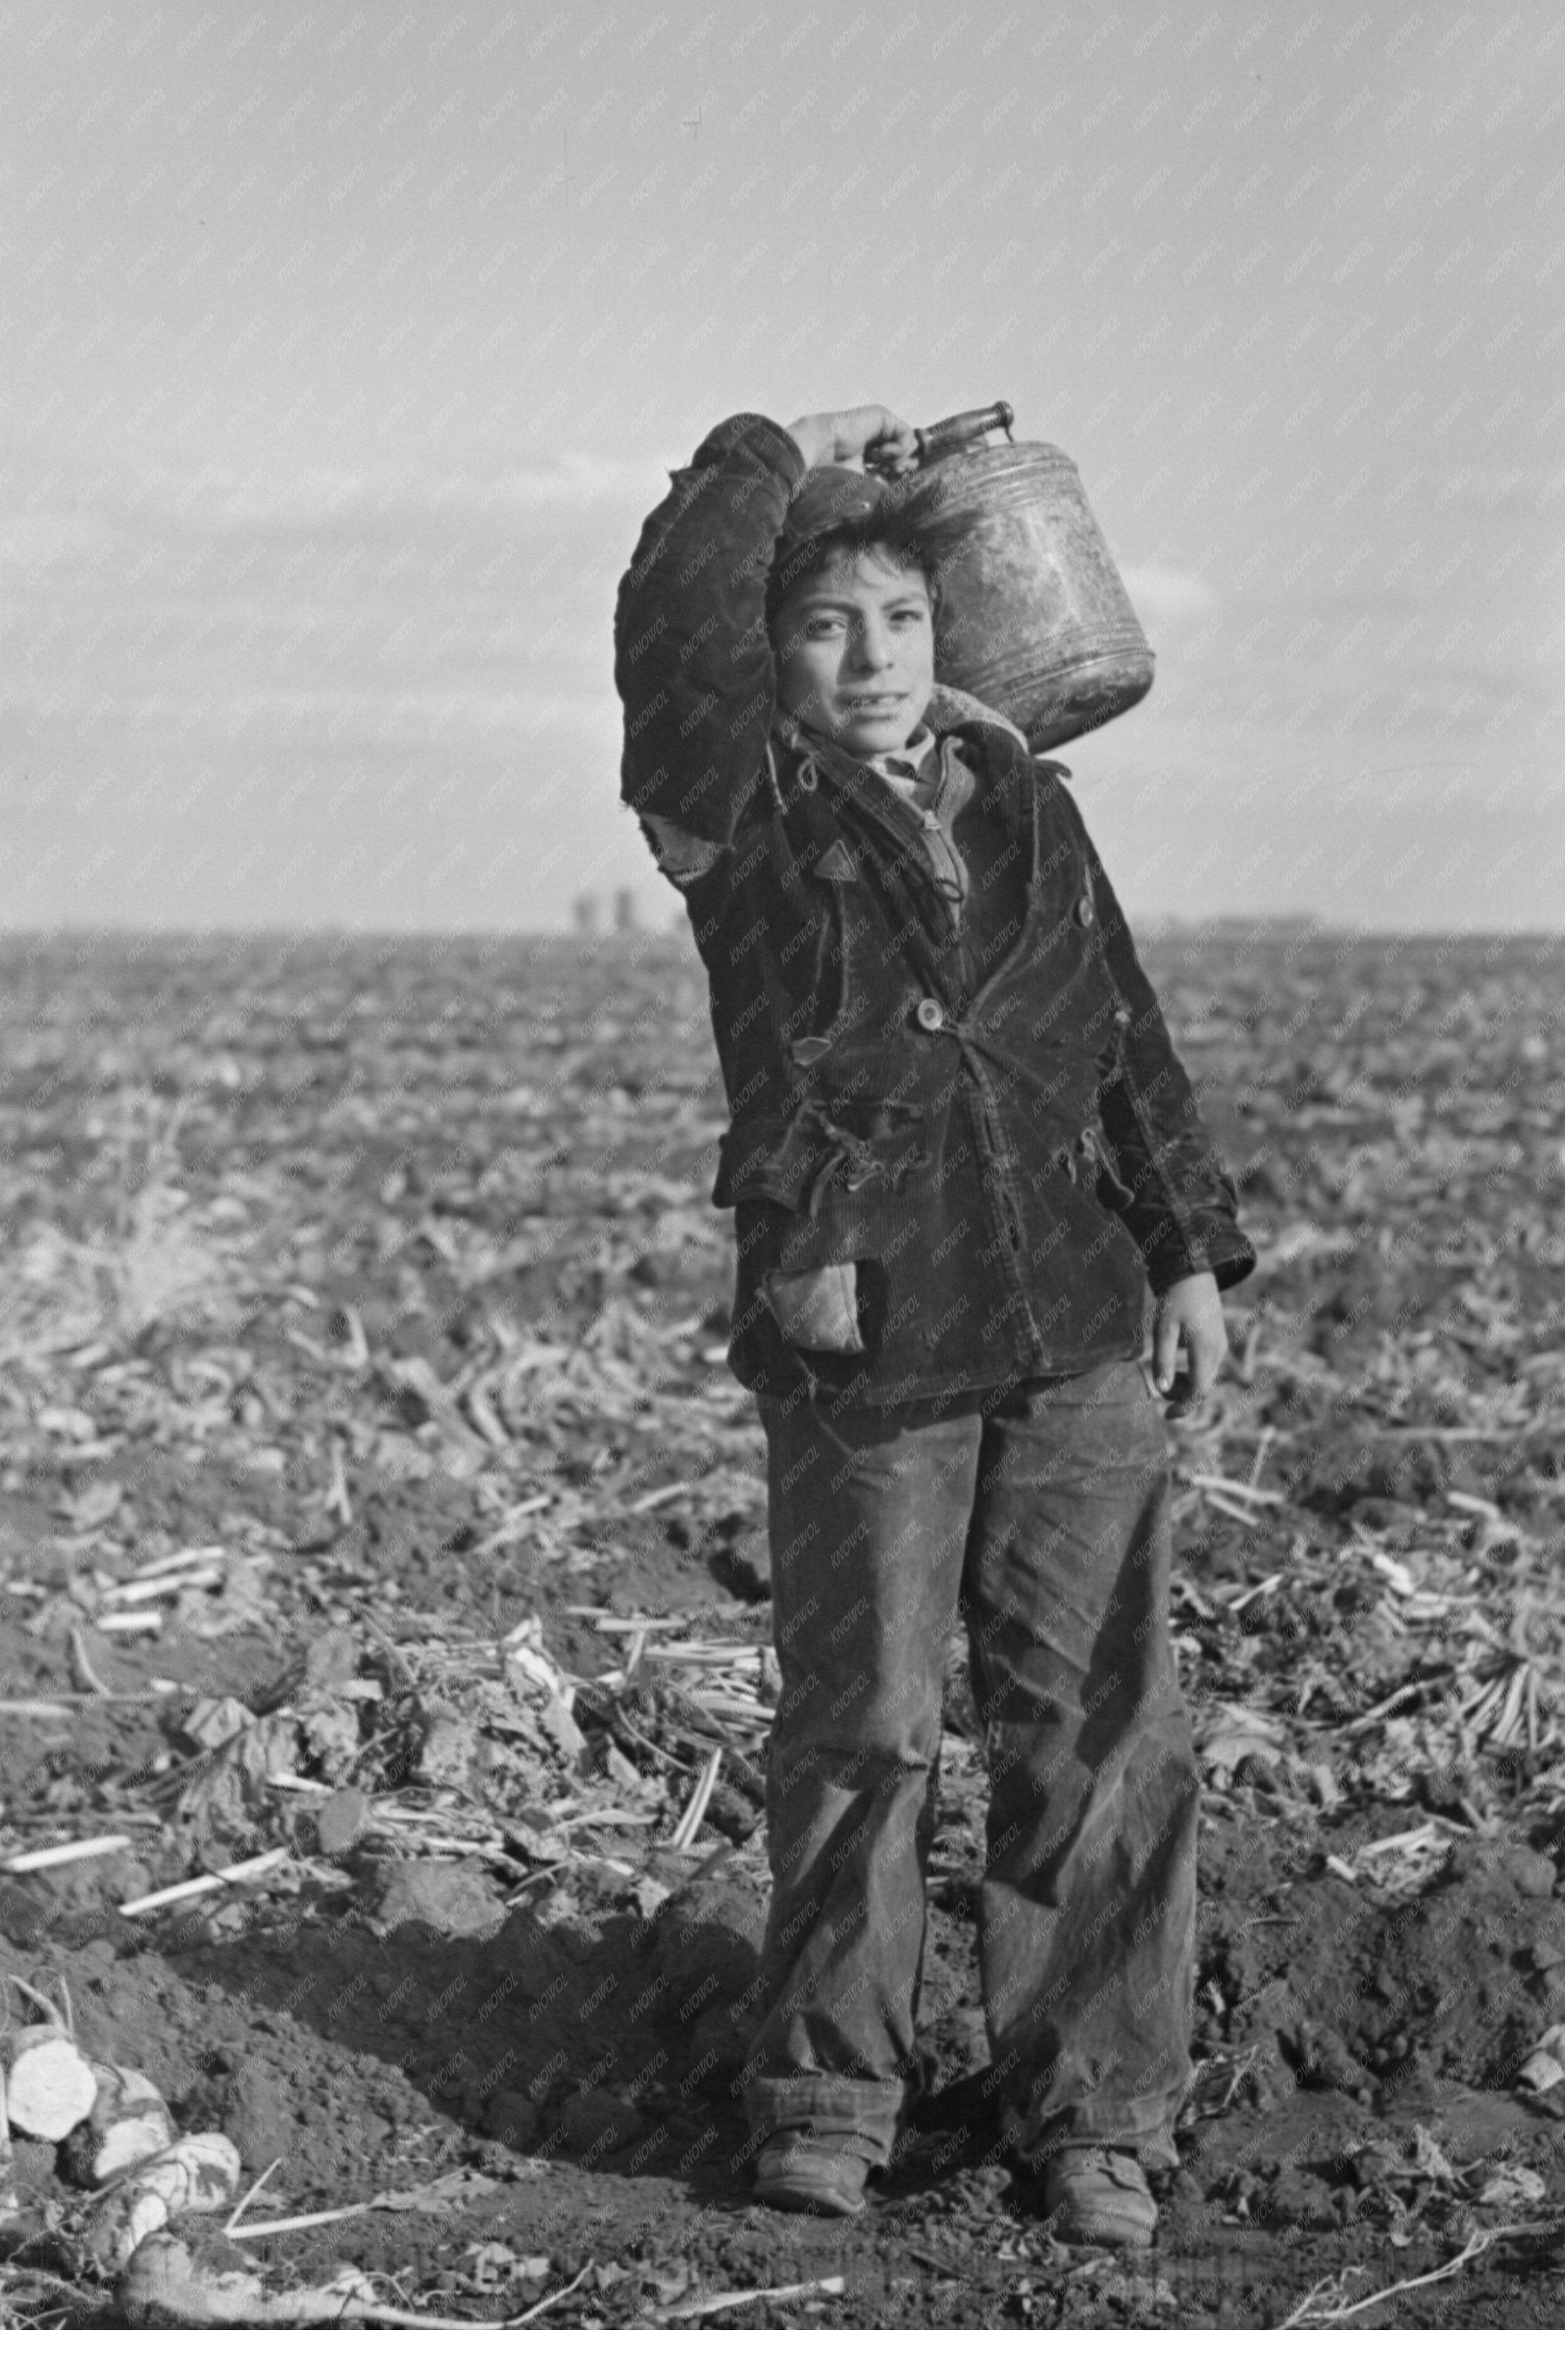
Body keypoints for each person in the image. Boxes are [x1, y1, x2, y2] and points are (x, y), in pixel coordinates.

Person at [612, 402, 1255, 2248]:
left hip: (1075, 1326)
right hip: (866, 1341)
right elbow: (671, 623)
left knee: (1105, 1736)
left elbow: (1120, 1037)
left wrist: (1188, 1253)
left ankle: (1096, 2119)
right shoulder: (736, 819)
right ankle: (827, 2099)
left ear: (952, 630)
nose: (871, 659)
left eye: (901, 617)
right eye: (826, 625)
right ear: (779, 659)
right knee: (865, 1730)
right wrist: (769, 450)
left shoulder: (1032, 805)